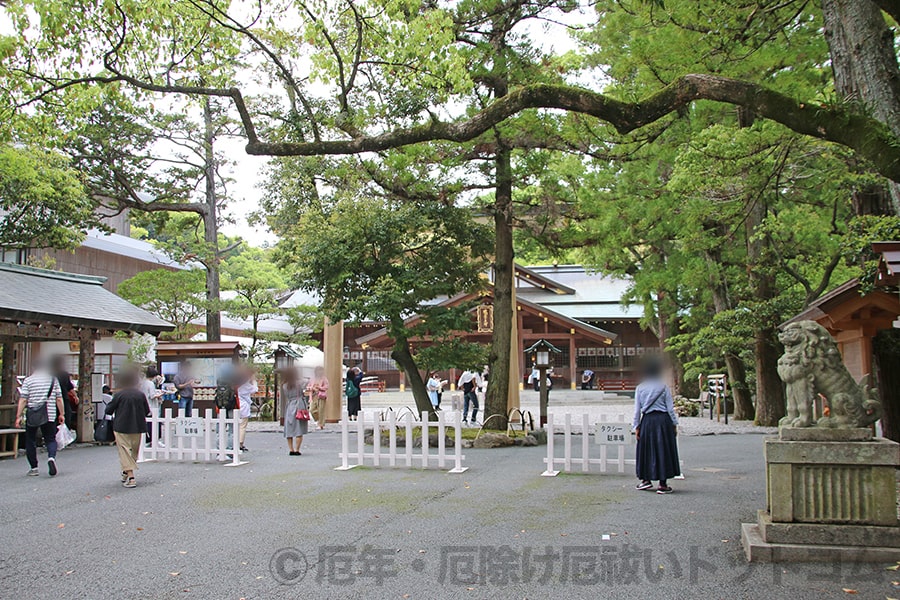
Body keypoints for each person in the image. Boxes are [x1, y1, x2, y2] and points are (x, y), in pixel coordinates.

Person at [632, 357, 680, 494]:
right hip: (663, 420)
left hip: (647, 420)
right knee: (663, 450)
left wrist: (636, 426)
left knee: (646, 449)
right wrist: (674, 423)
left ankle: (646, 480)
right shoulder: (663, 387)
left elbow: (637, 410)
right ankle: (662, 484)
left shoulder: (640, 388)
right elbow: (670, 409)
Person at [15, 359, 65, 477]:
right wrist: (61, 414)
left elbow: (23, 399)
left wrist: (18, 416)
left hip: (33, 414)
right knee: (50, 439)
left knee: (30, 440)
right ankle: (51, 458)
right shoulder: (53, 379)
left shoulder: (28, 381)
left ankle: (34, 467)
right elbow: (59, 398)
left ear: (34, 367)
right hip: (50, 414)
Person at [104, 367, 150, 488]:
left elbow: (108, 410)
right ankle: (126, 472)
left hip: (121, 426)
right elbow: (146, 411)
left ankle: (131, 477)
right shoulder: (140, 395)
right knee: (134, 451)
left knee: (124, 451)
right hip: (138, 426)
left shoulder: (119, 395)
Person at [280, 367, 308, 455]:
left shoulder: (284, 385)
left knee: (289, 427)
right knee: (299, 427)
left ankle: (291, 449)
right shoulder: (299, 383)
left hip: (290, 405)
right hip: (299, 405)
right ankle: (297, 449)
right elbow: (307, 381)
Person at [51, 356, 78, 432]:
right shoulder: (64, 374)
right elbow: (70, 387)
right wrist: (75, 396)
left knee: (53, 419)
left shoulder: (50, 375)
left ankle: (54, 435)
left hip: (51, 400)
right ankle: (65, 435)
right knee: (66, 417)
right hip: (64, 398)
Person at [236, 366, 257, 451]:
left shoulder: (238, 383)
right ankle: (240, 443)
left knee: (236, 425)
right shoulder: (246, 384)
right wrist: (254, 381)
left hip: (236, 405)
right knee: (242, 426)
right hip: (243, 406)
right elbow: (255, 389)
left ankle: (235, 442)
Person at [141, 365, 163, 445]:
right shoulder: (150, 384)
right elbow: (152, 395)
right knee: (153, 423)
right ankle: (153, 440)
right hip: (152, 406)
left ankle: (149, 440)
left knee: (148, 423)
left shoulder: (144, 383)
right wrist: (160, 394)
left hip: (145, 405)